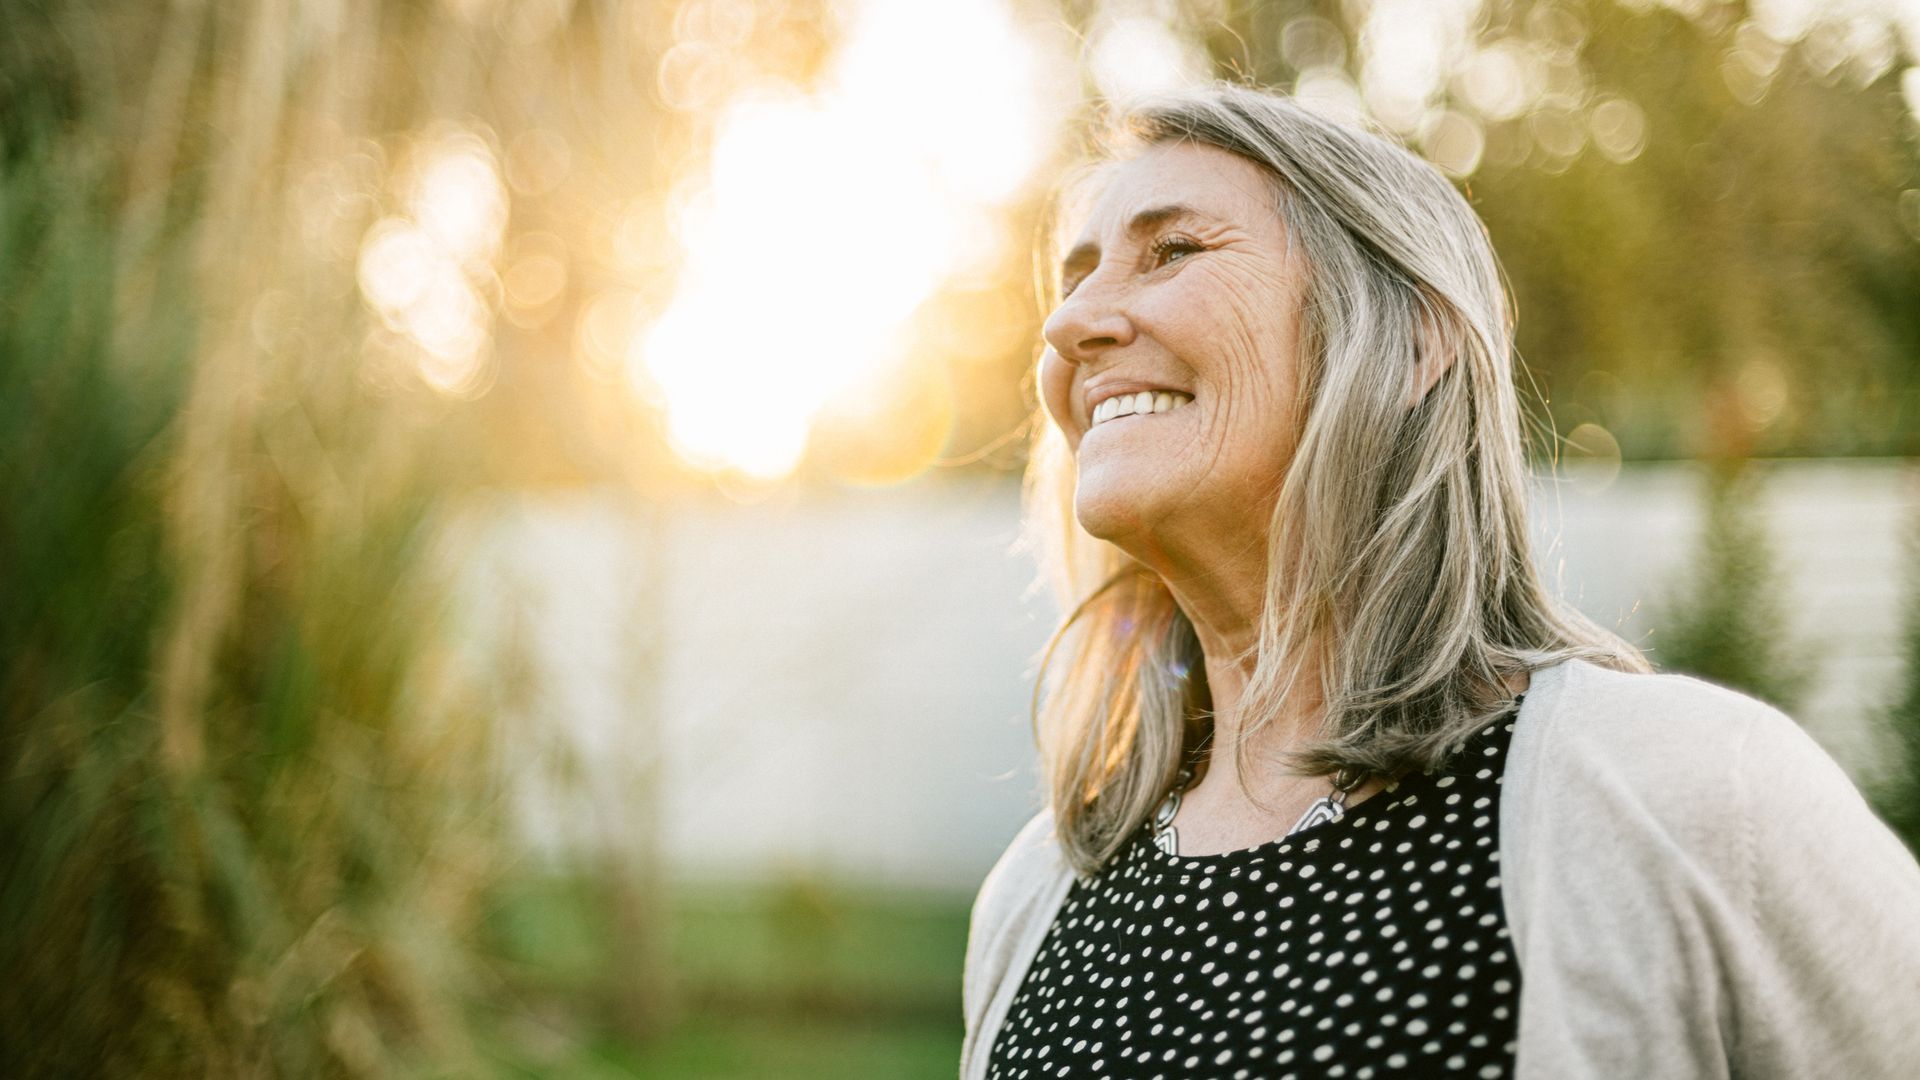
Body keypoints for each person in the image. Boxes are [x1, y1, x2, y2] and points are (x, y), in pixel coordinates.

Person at [960, 81, 1920, 1080]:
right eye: (1074, 279)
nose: (1070, 324)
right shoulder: (1037, 894)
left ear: (1412, 339)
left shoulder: (1686, 794)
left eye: (1173, 251)